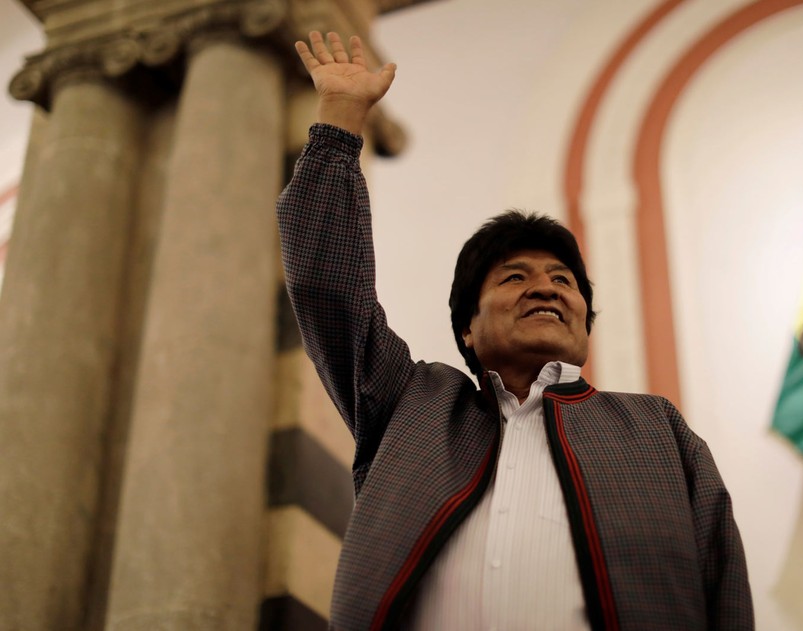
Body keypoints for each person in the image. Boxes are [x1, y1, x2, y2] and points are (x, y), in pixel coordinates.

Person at [278, 31, 754, 631]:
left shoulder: (659, 433)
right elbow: (328, 286)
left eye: (563, 279)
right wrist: (340, 121)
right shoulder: (413, 407)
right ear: (468, 331)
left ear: (584, 323)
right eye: (514, 277)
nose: (546, 287)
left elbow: (724, 591)